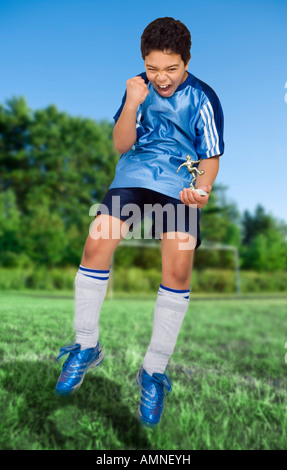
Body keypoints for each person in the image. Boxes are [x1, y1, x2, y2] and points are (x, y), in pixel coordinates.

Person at [55, 17, 224, 427]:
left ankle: (154, 370)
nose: (161, 78)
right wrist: (132, 102)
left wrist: (201, 191)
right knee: (98, 241)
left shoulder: (203, 98)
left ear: (187, 61)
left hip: (181, 182)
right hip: (135, 174)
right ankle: (85, 346)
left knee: (179, 265)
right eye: (152, 67)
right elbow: (121, 143)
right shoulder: (138, 87)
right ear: (143, 62)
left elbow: (211, 158)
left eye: (171, 68)